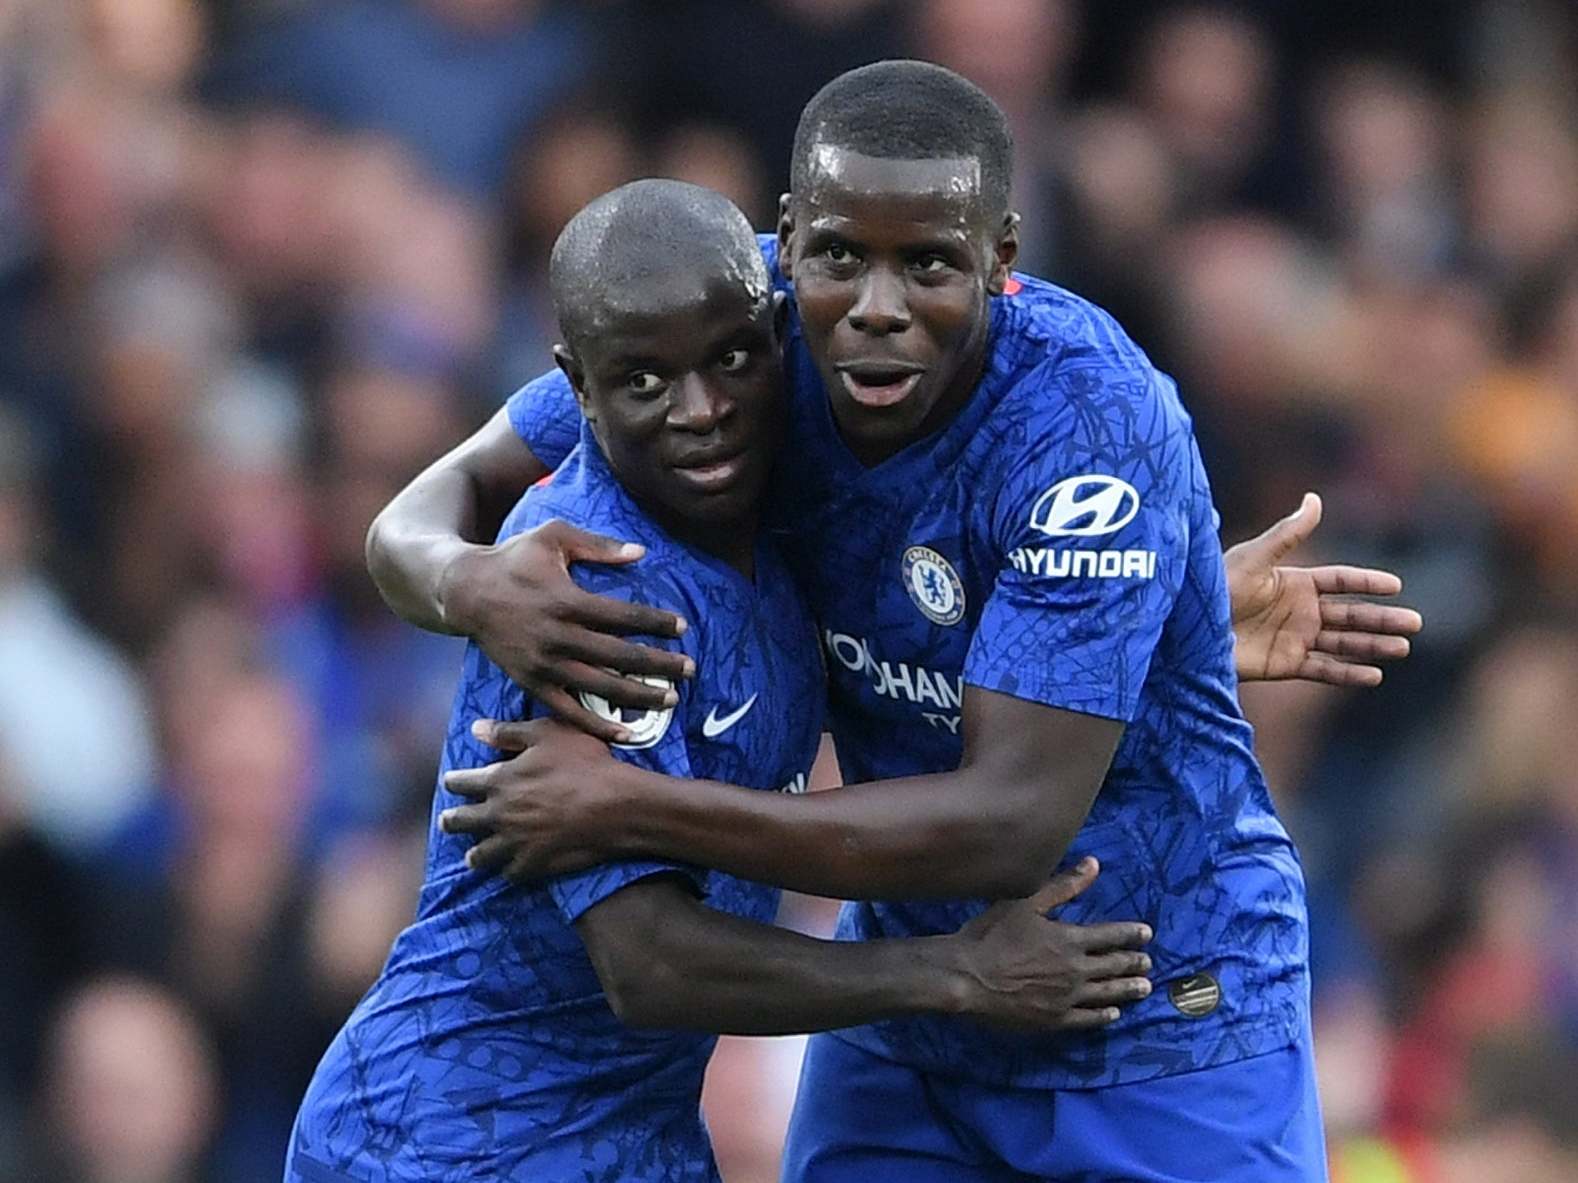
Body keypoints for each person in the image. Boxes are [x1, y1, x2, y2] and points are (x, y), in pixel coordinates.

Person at [372, 65, 1424, 1181]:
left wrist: (640, 806)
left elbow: (1011, 823)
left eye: (927, 263)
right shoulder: (731, 331)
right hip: (911, 1030)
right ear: (787, 242)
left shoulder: (1089, 421)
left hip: (1159, 1012)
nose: (876, 304)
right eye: (838, 258)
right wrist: (468, 586)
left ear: (1002, 262)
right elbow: (432, 505)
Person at [285, 179, 1155, 1183]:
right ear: (579, 386)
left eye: (732, 362)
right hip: (451, 1135)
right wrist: (953, 972)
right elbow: (648, 960)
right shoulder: (594, 578)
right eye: (645, 384)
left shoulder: (774, 426)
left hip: (635, 1134)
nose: (700, 411)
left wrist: (1177, 611)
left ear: (776, 328)